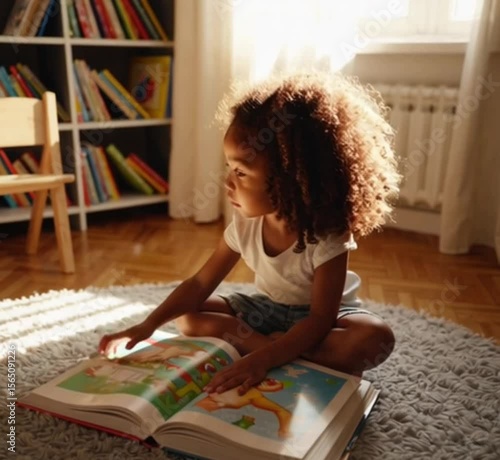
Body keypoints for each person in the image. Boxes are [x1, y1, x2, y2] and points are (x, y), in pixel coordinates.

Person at [99, 73, 400, 396]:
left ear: (290, 179)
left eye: (241, 172)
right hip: (267, 310)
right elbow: (200, 284)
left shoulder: (328, 235)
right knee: (188, 314)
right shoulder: (245, 224)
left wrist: (262, 359)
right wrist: (147, 326)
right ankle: (290, 351)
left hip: (325, 319)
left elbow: (319, 318)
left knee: (374, 337)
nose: (228, 183)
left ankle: (276, 348)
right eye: (229, 169)